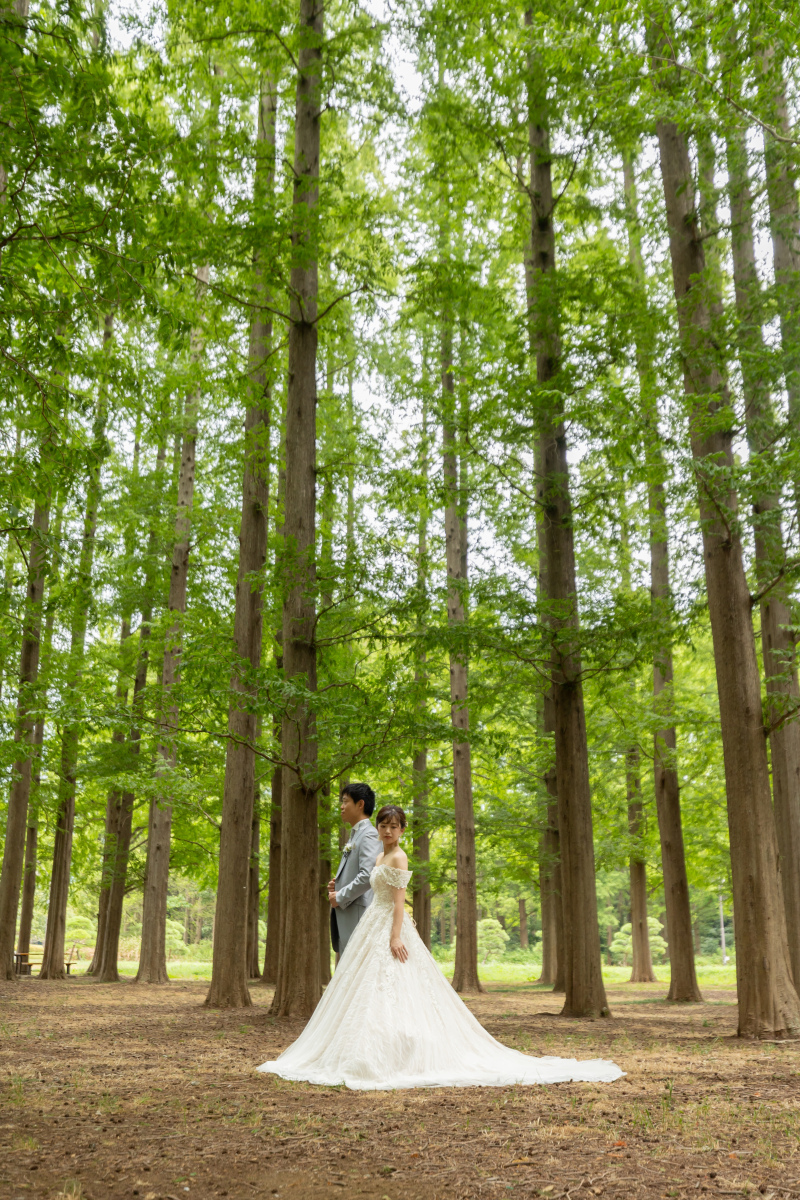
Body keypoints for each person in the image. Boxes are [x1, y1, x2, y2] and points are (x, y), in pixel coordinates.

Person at [257, 805, 624, 1091]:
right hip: (372, 923)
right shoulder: (378, 857)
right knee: (362, 988)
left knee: (396, 984)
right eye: (383, 825)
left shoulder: (399, 858)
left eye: (393, 826)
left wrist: (397, 936)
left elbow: (399, 903)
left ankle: (403, 1048)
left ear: (402, 831)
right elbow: (369, 887)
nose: (387, 830)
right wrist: (338, 892)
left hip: (389, 926)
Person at [327, 783, 381, 958]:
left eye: (345, 801)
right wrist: (337, 886)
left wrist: (340, 896)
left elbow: (367, 876)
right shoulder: (356, 834)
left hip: (358, 917)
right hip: (348, 916)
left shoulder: (369, 834)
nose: (341, 807)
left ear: (360, 804)